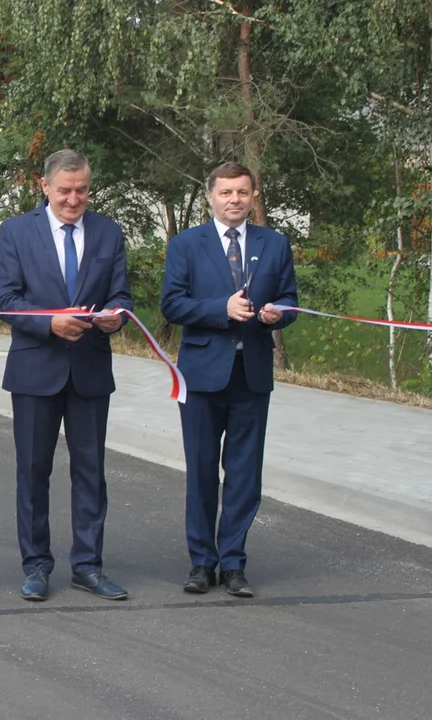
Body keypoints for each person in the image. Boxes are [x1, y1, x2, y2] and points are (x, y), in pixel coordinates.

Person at [0, 148, 133, 603]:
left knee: (91, 472)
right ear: (44, 186)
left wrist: (118, 316)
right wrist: (48, 322)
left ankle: (88, 567)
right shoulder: (16, 232)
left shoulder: (109, 233)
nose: (74, 199)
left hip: (90, 369)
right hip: (36, 368)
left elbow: (121, 295)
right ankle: (36, 565)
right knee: (33, 471)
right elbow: (5, 300)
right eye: (65, 191)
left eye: (82, 190)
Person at [160, 162, 298, 597]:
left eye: (242, 192)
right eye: (226, 193)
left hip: (252, 374)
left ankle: (234, 563)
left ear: (254, 195)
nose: (234, 200)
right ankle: (202, 563)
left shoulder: (275, 244)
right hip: (202, 375)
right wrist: (220, 309)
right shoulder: (187, 244)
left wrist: (280, 313)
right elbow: (172, 305)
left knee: (244, 474)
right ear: (211, 197)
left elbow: (291, 300)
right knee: (201, 471)